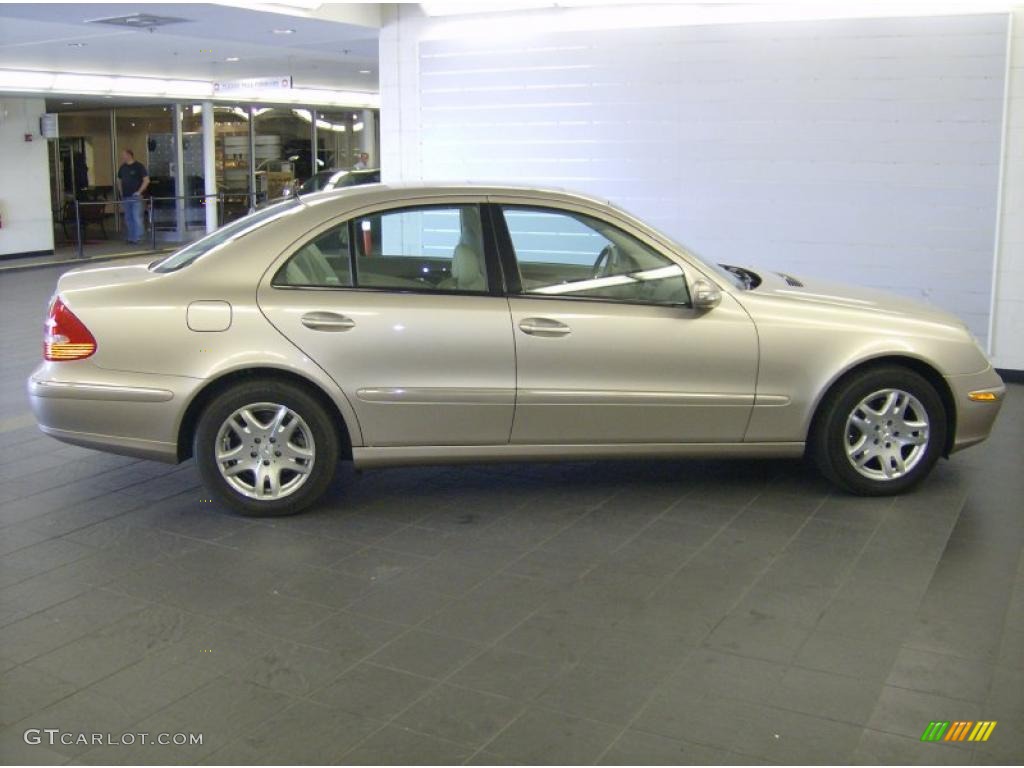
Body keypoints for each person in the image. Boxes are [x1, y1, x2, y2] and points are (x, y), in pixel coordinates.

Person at [116, 149, 149, 245]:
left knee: (136, 217)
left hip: (135, 196)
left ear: (130, 155)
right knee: (128, 217)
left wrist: (139, 192)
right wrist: (121, 192)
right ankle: (131, 237)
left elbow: (146, 180)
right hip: (126, 196)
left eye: (124, 155)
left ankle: (139, 237)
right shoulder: (122, 167)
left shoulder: (139, 166)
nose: (123, 157)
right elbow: (119, 180)